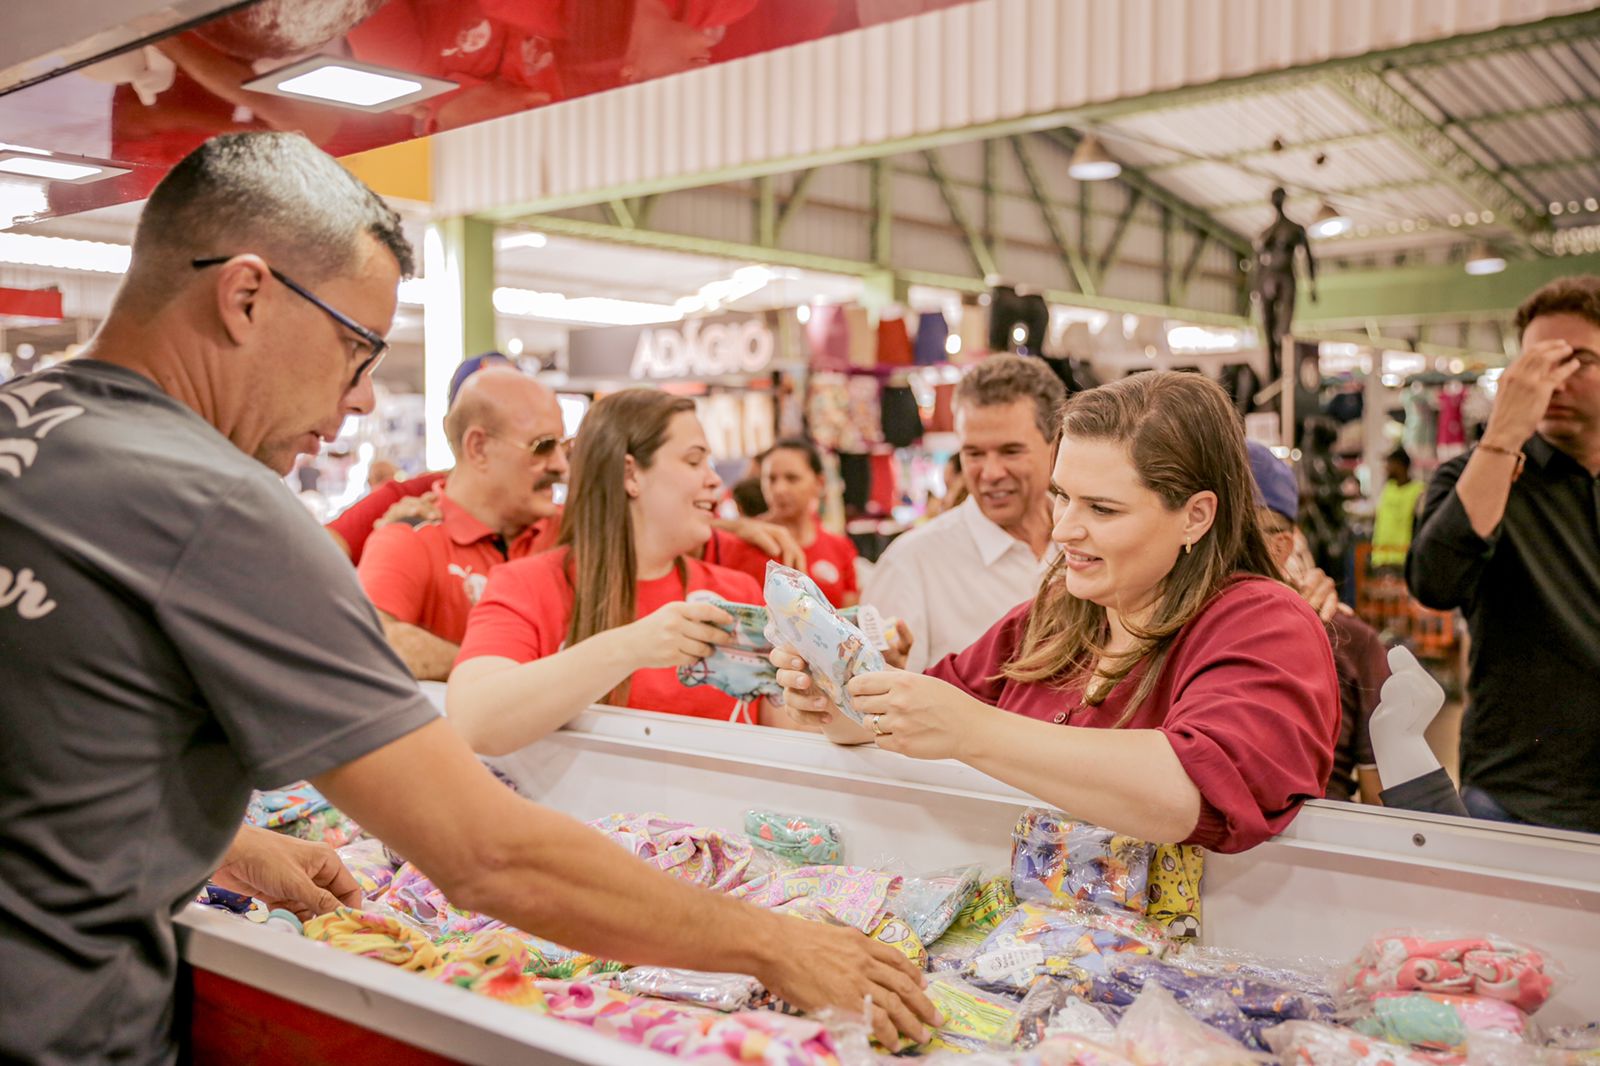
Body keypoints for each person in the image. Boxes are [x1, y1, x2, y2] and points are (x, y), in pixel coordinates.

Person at [0, 132, 936, 1064]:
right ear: (246, 296)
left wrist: (222, 845)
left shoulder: (27, 434)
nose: (363, 401)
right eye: (356, 348)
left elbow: (48, 747)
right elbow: (487, 856)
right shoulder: (216, 510)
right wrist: (777, 942)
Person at [776, 371, 1340, 853]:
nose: (1065, 528)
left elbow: (1187, 794)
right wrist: (836, 695)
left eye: (1102, 508)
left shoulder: (1265, 624)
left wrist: (972, 730)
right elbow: (905, 718)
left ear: (1195, 516)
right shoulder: (1053, 617)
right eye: (1063, 496)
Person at [448, 388, 800, 754]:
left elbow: (795, 740)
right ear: (630, 473)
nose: (714, 480)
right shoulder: (526, 585)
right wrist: (632, 646)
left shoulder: (736, 593)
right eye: (694, 461)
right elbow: (474, 721)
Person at [1407, 275, 1600, 834]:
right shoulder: (1478, 478)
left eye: (1577, 360)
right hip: (1517, 798)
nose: (1554, 382)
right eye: (1538, 364)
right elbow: (1435, 582)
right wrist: (1503, 435)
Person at [357, 367, 568, 680]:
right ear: (478, 448)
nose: (561, 466)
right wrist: (500, 676)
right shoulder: (410, 538)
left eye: (565, 447)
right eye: (543, 446)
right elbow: (368, 645)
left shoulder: (574, 530)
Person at [862, 354, 1064, 672]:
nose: (991, 472)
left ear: (1057, 445)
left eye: (1011, 451)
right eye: (974, 453)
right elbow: (874, 700)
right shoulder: (912, 564)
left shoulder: (1090, 545)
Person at [1248, 440, 1388, 804]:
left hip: (1316, 850)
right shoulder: (1165, 628)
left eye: (1232, 531)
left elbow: (1385, 805)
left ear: (1281, 546)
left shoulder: (1349, 638)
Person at [712, 439, 859, 607]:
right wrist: (737, 526)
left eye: (792, 478)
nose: (779, 489)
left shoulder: (839, 548)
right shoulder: (741, 540)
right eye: (771, 479)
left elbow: (850, 621)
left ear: (819, 483)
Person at [1249, 186, 1317, 385]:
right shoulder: (1264, 232)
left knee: (1284, 332)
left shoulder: (1295, 229)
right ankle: (1271, 377)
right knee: (1269, 334)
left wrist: (1312, 286)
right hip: (1267, 279)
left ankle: (1285, 373)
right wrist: (1254, 290)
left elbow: (1309, 258)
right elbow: (1256, 264)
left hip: (1286, 277)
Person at [1370, 447, 1423, 569]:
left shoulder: (1418, 491)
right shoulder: (1388, 488)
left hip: (1404, 561)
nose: (1386, 467)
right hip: (1381, 559)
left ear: (1400, 465)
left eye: (1390, 463)